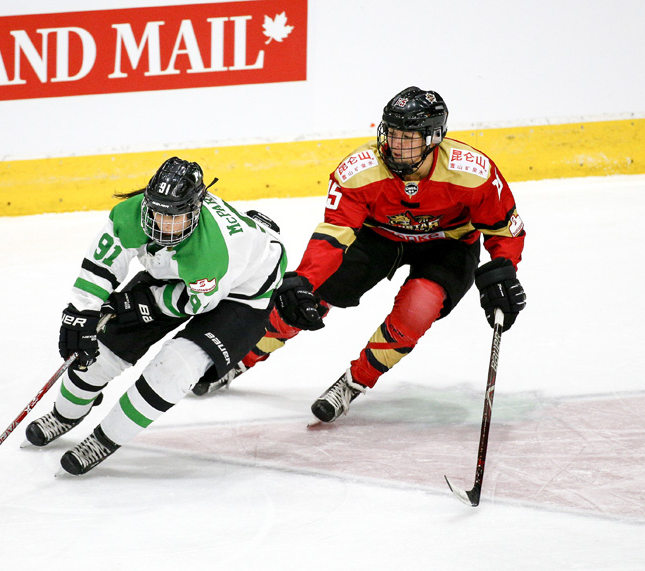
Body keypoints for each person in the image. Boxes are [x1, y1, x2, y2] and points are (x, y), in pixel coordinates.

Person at [192, 86, 526, 424]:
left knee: (418, 308)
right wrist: (304, 279)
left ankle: (355, 382)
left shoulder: (472, 173)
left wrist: (504, 270)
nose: (396, 145)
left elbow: (505, 230)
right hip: (376, 237)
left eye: (408, 137)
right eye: (392, 134)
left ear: (434, 137)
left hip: (449, 245)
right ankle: (241, 357)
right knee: (306, 298)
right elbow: (333, 235)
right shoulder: (360, 170)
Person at [25, 157, 287, 474]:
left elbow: (195, 303)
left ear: (195, 210)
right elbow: (103, 263)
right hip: (186, 274)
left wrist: (144, 302)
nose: (162, 224)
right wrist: (81, 311)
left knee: (174, 369)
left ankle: (104, 439)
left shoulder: (213, 252)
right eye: (157, 211)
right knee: (101, 348)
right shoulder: (133, 213)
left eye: (173, 217)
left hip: (243, 293)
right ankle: (65, 414)